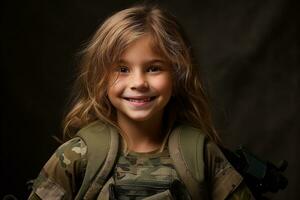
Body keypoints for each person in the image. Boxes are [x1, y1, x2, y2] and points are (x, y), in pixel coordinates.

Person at [29, 3, 255, 200]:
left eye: (154, 68)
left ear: (177, 75)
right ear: (101, 77)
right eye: (123, 69)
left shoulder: (200, 154)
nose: (138, 82)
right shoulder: (76, 157)